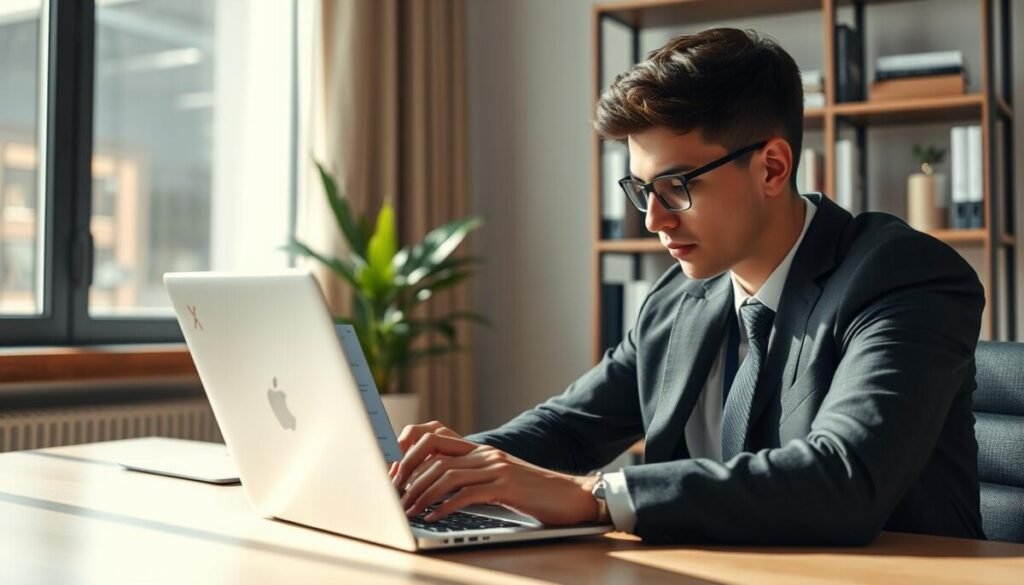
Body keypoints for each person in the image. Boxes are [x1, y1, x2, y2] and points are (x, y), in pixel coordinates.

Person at [389, 27, 986, 545]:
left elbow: (842, 478)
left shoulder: (902, 276)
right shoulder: (678, 299)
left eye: (677, 186)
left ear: (772, 167)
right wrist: (444, 467)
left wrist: (597, 494)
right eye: (642, 190)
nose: (653, 220)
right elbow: (567, 430)